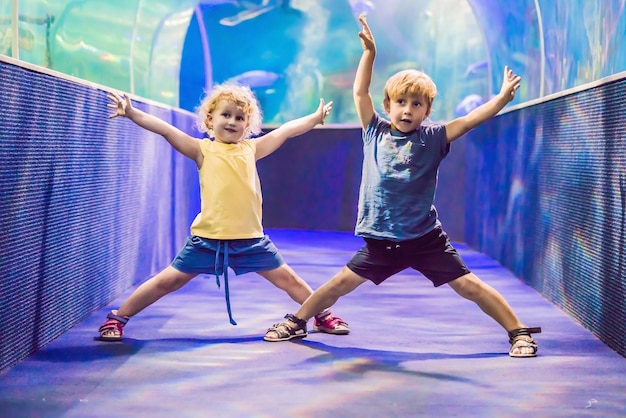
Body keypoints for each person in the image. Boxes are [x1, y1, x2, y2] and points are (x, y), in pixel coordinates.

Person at [264, 14, 541, 358]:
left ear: (427, 111)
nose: (407, 110)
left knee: (468, 286)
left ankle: (519, 332)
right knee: (338, 285)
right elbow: (360, 90)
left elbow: (470, 120)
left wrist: (500, 99)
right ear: (388, 106)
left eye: (417, 104)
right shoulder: (374, 131)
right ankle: (298, 320)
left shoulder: (435, 137)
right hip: (382, 240)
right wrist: (370, 55)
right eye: (401, 103)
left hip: (424, 239)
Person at [98, 83, 349, 341]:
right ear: (210, 119)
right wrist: (132, 113)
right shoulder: (201, 150)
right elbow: (165, 129)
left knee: (289, 280)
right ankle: (118, 318)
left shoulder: (251, 150)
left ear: (247, 124)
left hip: (250, 240)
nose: (232, 122)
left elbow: (285, 131)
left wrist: (315, 119)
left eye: (240, 118)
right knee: (167, 281)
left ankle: (321, 314)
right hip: (207, 241)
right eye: (226, 115)